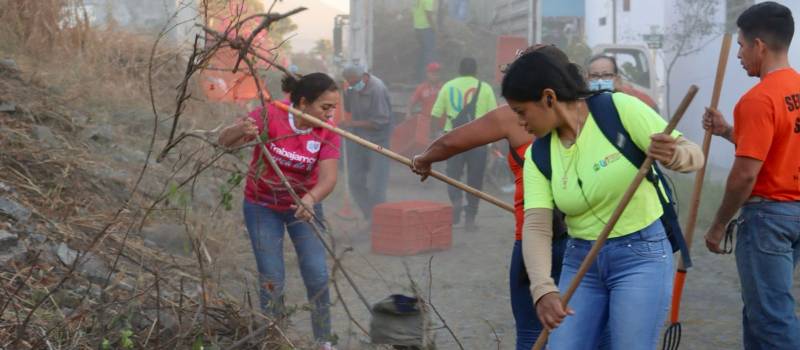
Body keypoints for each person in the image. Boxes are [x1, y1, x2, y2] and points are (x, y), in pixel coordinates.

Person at [503, 48, 703, 349]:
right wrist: (543, 289)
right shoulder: (538, 155)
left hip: (642, 256)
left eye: (521, 111)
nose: (520, 123)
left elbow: (694, 155)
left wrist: (675, 155)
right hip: (580, 260)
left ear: (548, 97)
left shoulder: (618, 109)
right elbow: (537, 226)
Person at [411, 44, 569, 349]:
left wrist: (425, 158)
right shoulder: (585, 115)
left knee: (529, 331)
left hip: (535, 235)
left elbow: (452, 141)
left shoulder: (512, 116)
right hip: (582, 236)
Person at [218, 73, 341, 349]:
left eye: (334, 108)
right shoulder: (270, 114)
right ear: (303, 102)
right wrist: (242, 131)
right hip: (262, 206)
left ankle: (324, 341)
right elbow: (223, 141)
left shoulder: (328, 130)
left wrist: (310, 200)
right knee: (272, 277)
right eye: (325, 107)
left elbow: (329, 179)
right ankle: (273, 339)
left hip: (303, 208)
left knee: (317, 273)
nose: (331, 114)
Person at [702, 2, 800, 349]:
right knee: (760, 311)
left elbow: (745, 175)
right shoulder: (796, 89)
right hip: (795, 212)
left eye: (742, 46)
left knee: (772, 317)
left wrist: (717, 224)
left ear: (759, 45)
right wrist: (728, 131)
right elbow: (778, 144)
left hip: (767, 219)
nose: (739, 54)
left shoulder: (758, 99)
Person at [430, 57, 497, 231]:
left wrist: (436, 136)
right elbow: (494, 118)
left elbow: (435, 114)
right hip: (478, 141)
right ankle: (470, 219)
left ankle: (456, 201)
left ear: (459, 70)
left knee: (452, 175)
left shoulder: (448, 86)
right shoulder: (486, 88)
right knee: (475, 179)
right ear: (476, 71)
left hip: (453, 138)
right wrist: (493, 143)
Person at [341, 64, 392, 223]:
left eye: (355, 82)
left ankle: (379, 221)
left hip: (378, 140)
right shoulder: (351, 88)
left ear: (364, 76)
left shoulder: (377, 89)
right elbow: (348, 109)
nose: (353, 85)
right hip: (358, 139)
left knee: (377, 184)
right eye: (350, 83)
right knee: (354, 180)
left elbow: (381, 122)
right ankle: (370, 215)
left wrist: (353, 124)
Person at [586, 54, 659, 111]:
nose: (600, 81)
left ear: (617, 79)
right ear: (587, 79)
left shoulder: (636, 102)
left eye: (606, 75)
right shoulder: (582, 105)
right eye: (594, 75)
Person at [413, 0, 437, 82]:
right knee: (429, 54)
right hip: (426, 28)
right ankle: (429, 79)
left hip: (417, 27)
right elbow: (428, 14)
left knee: (422, 53)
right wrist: (434, 27)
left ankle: (419, 77)